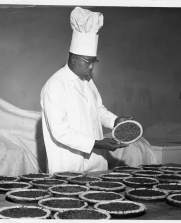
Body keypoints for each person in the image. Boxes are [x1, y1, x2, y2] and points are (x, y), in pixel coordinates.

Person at [40, 7, 133, 173]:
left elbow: (98, 110)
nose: (91, 67)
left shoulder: (88, 82)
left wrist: (115, 121)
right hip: (68, 166)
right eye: (88, 62)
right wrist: (97, 143)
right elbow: (60, 132)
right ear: (74, 58)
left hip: (95, 165)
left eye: (93, 62)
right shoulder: (55, 85)